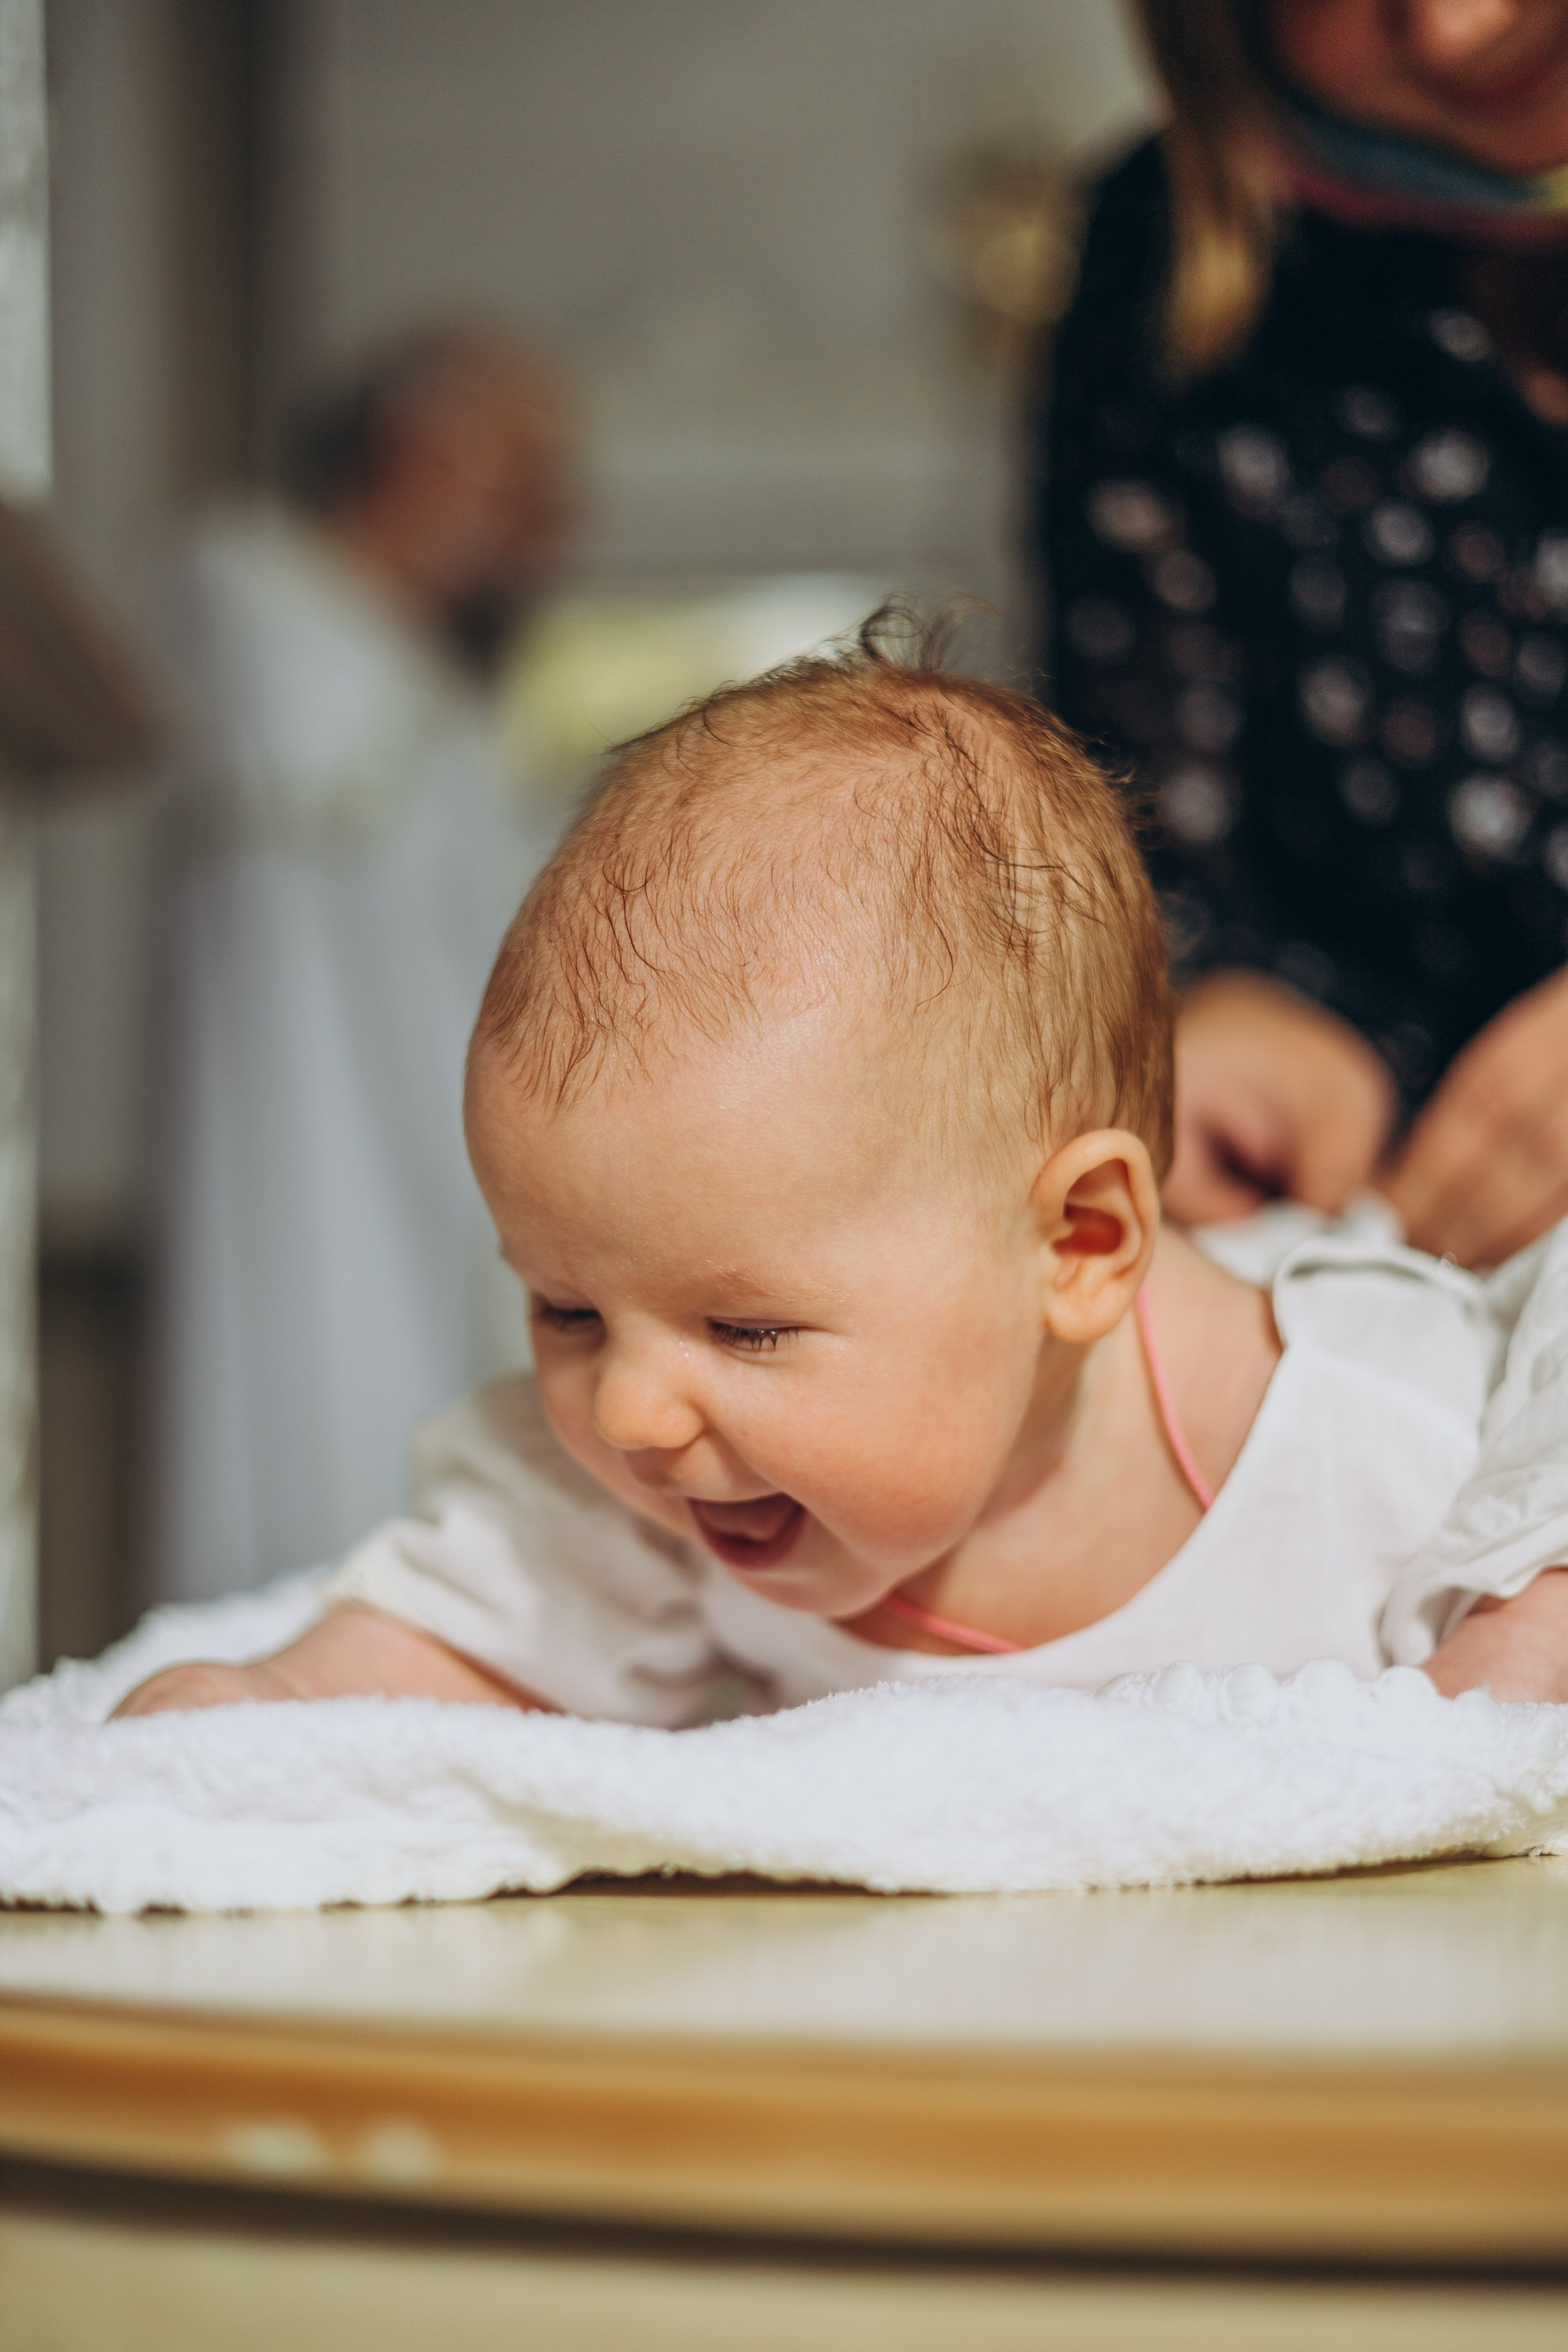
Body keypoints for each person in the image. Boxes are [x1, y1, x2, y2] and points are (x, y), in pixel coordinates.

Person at [116, 624, 1568, 1721]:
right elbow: (458, 1630)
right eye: (564, 1312)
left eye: (742, 1328)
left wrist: (1530, 1633)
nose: (625, 1413)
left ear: (1072, 1240)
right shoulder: (647, 1512)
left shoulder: (1378, 1429)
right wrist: (269, 1713)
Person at [1037, 0, 1568, 1270]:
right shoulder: (1177, 260)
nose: (1452, 30)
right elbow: (1168, 842)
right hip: (1404, 1241)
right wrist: (1233, 1013)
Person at [154, 326, 578, 1603]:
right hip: (327, 1166)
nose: (549, 537)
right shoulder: (270, 631)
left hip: (438, 1178)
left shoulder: (415, 687)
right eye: (527, 492)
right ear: (423, 460)